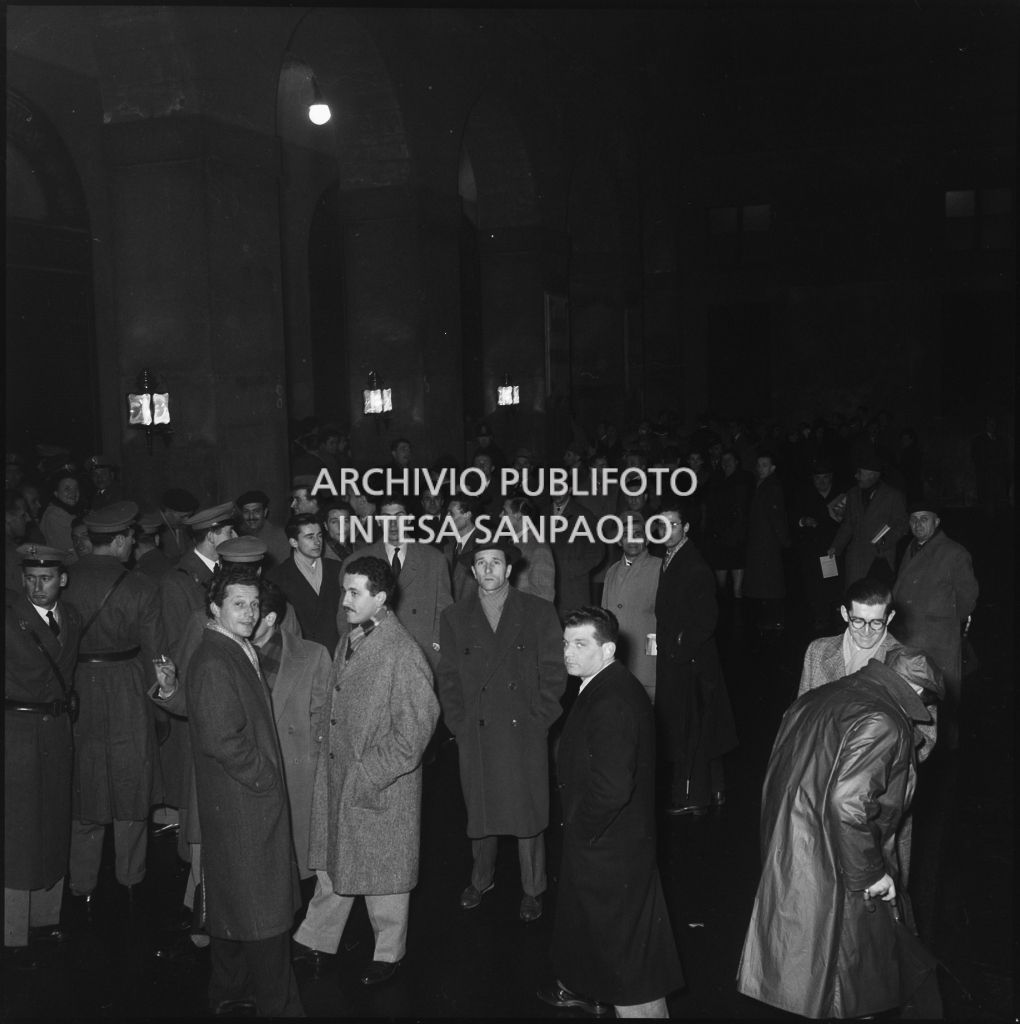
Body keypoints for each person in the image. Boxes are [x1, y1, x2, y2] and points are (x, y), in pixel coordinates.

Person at [736, 649, 944, 1019]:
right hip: (842, 861)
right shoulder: (884, 721)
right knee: (856, 980)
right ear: (913, 689)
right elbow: (848, 804)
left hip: (794, 851)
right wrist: (873, 874)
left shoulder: (813, 700)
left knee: (815, 974)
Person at [295, 556, 439, 985]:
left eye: (354, 592)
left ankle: (389, 953)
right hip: (343, 778)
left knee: (384, 876)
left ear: (381, 597)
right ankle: (317, 937)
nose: (344, 601)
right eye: (344, 590)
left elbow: (414, 733)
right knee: (335, 865)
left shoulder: (403, 652)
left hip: (380, 785)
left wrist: (369, 773)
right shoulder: (351, 638)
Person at [539, 607, 684, 1019]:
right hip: (609, 844)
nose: (568, 653)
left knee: (631, 967)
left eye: (580, 644)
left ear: (607, 649)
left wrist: (580, 832)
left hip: (609, 849)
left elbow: (612, 787)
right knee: (609, 942)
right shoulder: (602, 685)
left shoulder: (613, 700)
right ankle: (586, 988)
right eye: (566, 643)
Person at [186, 567, 304, 1016]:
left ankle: (229, 996)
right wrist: (266, 779)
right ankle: (281, 1008)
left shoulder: (232, 649)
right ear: (215, 608)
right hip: (245, 802)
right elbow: (224, 740)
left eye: (255, 604)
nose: (250, 613)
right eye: (239, 603)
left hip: (236, 802)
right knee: (265, 916)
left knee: (236, 909)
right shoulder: (216, 659)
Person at [437, 538, 565, 922]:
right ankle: (481, 879)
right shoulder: (455, 616)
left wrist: (540, 718)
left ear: (509, 570)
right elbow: (448, 678)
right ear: (473, 571)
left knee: (528, 813)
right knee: (480, 810)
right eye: (481, 563)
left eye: (496, 562)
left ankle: (533, 888)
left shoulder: (538, 611)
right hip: (477, 731)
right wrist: (458, 723)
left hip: (522, 729)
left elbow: (555, 672)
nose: (489, 569)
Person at [63, 501, 165, 903]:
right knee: (131, 783)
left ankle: (82, 885)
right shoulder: (141, 587)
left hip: (78, 688)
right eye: (130, 539)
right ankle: (130, 879)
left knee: (84, 786)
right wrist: (161, 709)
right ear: (121, 539)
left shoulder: (65, 579)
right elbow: (158, 656)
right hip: (128, 688)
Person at [4, 545, 82, 967]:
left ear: (62, 579)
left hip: (56, 731)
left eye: (46, 578)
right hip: (16, 734)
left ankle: (46, 919)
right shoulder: (8, 618)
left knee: (53, 820)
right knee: (18, 833)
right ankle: (13, 932)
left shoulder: (72, 619)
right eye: (30, 577)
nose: (37, 586)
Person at [654, 500, 737, 815]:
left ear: (686, 527)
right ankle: (713, 790)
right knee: (701, 725)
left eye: (674, 524)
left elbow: (706, 619)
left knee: (690, 727)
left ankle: (692, 797)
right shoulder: (672, 557)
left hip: (690, 662)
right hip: (684, 658)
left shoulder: (693, 564)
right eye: (662, 525)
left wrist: (679, 648)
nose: (667, 531)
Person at [251, 578, 330, 880]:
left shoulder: (313, 654)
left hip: (296, 774)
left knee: (300, 869)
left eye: (251, 608)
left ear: (270, 618)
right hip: (249, 770)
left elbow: (325, 716)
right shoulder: (228, 652)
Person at [892, 501, 979, 751]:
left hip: (938, 639)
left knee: (943, 699)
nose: (918, 524)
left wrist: (943, 620)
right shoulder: (910, 548)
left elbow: (968, 599)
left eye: (925, 519)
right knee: (913, 697)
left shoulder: (954, 553)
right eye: (914, 519)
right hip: (909, 636)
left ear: (937, 521)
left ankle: (945, 756)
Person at [340, 497, 452, 673]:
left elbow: (444, 608)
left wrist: (435, 645)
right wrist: (356, 646)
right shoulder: (356, 561)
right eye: (386, 517)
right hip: (373, 653)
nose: (393, 523)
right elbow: (344, 612)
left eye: (399, 516)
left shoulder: (434, 559)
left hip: (422, 654)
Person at [601, 511, 660, 704]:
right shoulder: (612, 571)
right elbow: (605, 617)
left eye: (638, 533)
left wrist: (652, 655)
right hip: (618, 658)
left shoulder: (659, 568)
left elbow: (664, 618)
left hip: (647, 660)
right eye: (626, 535)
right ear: (619, 541)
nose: (632, 539)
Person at [829, 446, 907, 587]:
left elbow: (901, 524)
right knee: (855, 599)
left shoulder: (893, 496)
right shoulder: (852, 493)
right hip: (856, 559)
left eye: (860, 473)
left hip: (880, 558)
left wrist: (884, 541)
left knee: (877, 602)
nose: (855, 476)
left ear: (873, 475)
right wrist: (836, 546)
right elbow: (848, 524)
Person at [268, 513, 342, 656]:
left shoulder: (338, 569)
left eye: (319, 535)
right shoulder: (277, 577)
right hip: (302, 657)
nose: (317, 542)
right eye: (309, 537)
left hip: (337, 653)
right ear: (293, 542)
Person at [793, 458, 845, 632]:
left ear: (831, 477)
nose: (821, 482)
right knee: (815, 584)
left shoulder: (841, 496)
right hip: (813, 549)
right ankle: (820, 617)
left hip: (834, 548)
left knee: (835, 583)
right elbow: (793, 518)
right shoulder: (804, 494)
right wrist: (803, 521)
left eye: (825, 478)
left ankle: (838, 616)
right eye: (817, 478)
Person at [742, 450, 791, 636]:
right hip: (760, 540)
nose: (760, 468)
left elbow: (777, 516)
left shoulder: (772, 486)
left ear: (772, 468)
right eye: (759, 465)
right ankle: (769, 619)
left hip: (768, 541)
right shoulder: (761, 484)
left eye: (764, 465)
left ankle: (775, 620)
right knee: (765, 581)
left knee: (771, 581)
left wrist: (783, 540)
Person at [501, 497, 555, 603]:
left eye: (505, 512)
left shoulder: (538, 548)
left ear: (518, 514)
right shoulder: (511, 543)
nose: (500, 515)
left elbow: (544, 599)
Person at [236, 489, 290, 570]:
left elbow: (284, 570)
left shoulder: (280, 536)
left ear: (265, 512)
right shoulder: (236, 535)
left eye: (256, 511)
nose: (251, 517)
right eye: (246, 512)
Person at [442, 494, 481, 602]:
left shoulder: (483, 544)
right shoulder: (449, 546)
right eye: (447, 513)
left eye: (451, 514)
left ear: (467, 515)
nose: (447, 517)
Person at [40, 471, 82, 562]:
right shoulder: (55, 516)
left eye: (76, 488)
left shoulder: (66, 512)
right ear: (56, 493)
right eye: (67, 489)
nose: (73, 493)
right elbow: (69, 553)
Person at [158, 488, 199, 564]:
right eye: (182, 516)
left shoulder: (181, 526)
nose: (187, 520)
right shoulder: (156, 529)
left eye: (189, 516)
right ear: (167, 511)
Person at [5, 489, 32, 590]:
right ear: (7, 517)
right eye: (23, 515)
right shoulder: (11, 554)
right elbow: (17, 596)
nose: (28, 519)